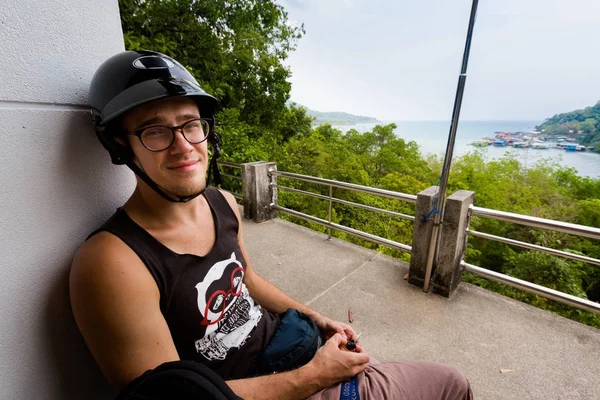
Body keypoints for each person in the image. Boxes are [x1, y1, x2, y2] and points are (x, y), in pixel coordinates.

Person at [70, 50, 473, 400]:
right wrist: (315, 376)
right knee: (451, 384)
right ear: (121, 146)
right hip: (282, 387)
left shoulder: (222, 203)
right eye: (155, 131)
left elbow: (246, 277)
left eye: (191, 124)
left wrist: (316, 318)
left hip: (295, 351)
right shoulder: (112, 262)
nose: (184, 146)